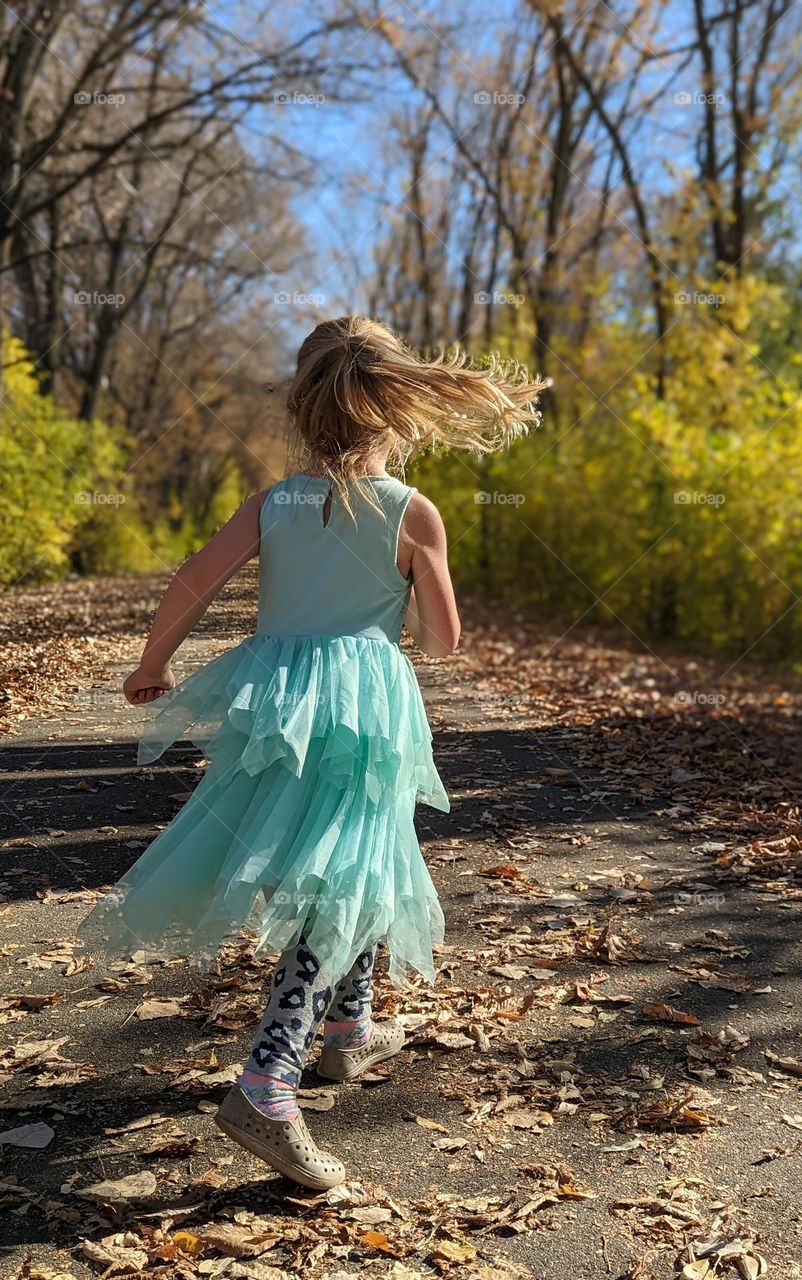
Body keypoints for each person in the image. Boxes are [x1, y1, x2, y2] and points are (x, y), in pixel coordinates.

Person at [78, 314, 548, 1190]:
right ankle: (266, 1083)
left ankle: (349, 1030)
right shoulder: (414, 512)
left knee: (348, 863)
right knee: (347, 872)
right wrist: (412, 579)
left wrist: (153, 663)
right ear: (398, 409)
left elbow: (191, 582)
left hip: (278, 707)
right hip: (367, 709)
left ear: (302, 407)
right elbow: (442, 640)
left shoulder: (272, 505)